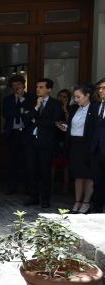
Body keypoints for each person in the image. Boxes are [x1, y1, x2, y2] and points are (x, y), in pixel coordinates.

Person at [23, 78, 64, 209]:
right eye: (37, 87)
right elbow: (26, 120)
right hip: (31, 142)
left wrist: (37, 120)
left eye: (41, 87)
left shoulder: (56, 104)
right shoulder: (31, 102)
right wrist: (36, 107)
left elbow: (55, 123)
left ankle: (45, 199)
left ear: (49, 89)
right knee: (31, 170)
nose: (38, 89)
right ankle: (33, 197)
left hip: (46, 143)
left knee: (45, 171)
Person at [59, 85, 97, 213]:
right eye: (74, 97)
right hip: (74, 144)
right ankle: (77, 201)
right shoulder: (74, 108)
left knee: (89, 175)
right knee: (77, 175)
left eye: (78, 97)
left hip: (88, 145)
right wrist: (65, 127)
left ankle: (86, 202)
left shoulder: (96, 108)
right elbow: (71, 126)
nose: (75, 99)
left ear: (87, 96)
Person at [2, 75, 33, 195]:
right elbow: (6, 114)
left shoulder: (31, 98)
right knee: (12, 161)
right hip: (13, 133)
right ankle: (11, 187)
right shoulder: (7, 99)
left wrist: (21, 101)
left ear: (23, 85)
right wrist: (20, 109)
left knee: (27, 161)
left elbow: (30, 113)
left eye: (18, 85)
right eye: (14, 85)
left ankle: (28, 188)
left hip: (26, 133)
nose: (16, 87)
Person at [52, 89, 73, 194]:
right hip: (54, 137)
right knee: (52, 162)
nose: (62, 98)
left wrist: (65, 108)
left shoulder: (71, 108)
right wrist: (56, 123)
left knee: (66, 164)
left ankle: (65, 186)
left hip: (66, 138)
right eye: (60, 96)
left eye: (65, 97)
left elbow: (71, 121)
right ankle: (50, 186)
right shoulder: (53, 107)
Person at [91, 78, 105, 214]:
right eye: (99, 88)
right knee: (97, 181)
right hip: (96, 149)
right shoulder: (96, 106)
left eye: (104, 88)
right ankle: (97, 208)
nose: (101, 90)